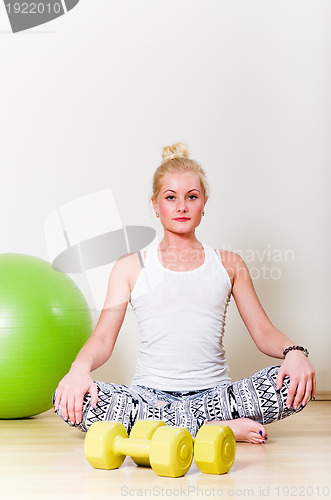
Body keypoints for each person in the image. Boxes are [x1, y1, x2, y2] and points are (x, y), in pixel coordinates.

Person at [53, 143, 316, 444]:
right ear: (155, 205)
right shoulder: (130, 266)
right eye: (170, 198)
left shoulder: (229, 264)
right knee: (65, 397)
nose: (181, 207)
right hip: (148, 400)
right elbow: (102, 339)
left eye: (192, 197)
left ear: (204, 203)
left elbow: (263, 331)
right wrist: (78, 370)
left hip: (219, 398)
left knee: (294, 383)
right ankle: (215, 430)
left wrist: (295, 353)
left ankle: (161, 433)